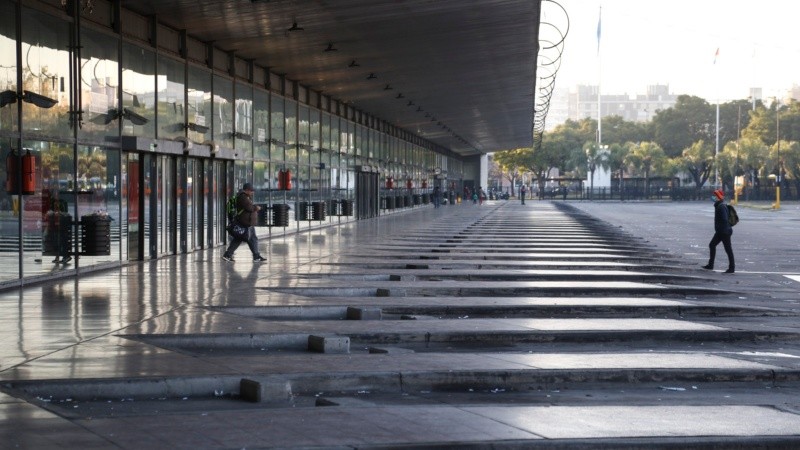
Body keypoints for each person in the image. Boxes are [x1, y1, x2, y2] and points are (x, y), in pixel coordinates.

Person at [222, 183, 267, 263]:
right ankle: (228, 255)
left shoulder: (245, 197)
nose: (252, 192)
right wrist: (256, 208)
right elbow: (249, 208)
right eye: (251, 191)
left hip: (247, 223)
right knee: (245, 239)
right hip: (245, 223)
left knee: (246, 239)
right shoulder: (243, 197)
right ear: (246, 190)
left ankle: (228, 255)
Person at [702, 189, 735, 273]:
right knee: (712, 245)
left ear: (719, 197)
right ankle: (711, 265)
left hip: (724, 231)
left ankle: (731, 268)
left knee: (727, 249)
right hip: (722, 230)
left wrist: (720, 226)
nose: (713, 197)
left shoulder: (721, 206)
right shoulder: (719, 205)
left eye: (715, 196)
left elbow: (724, 219)